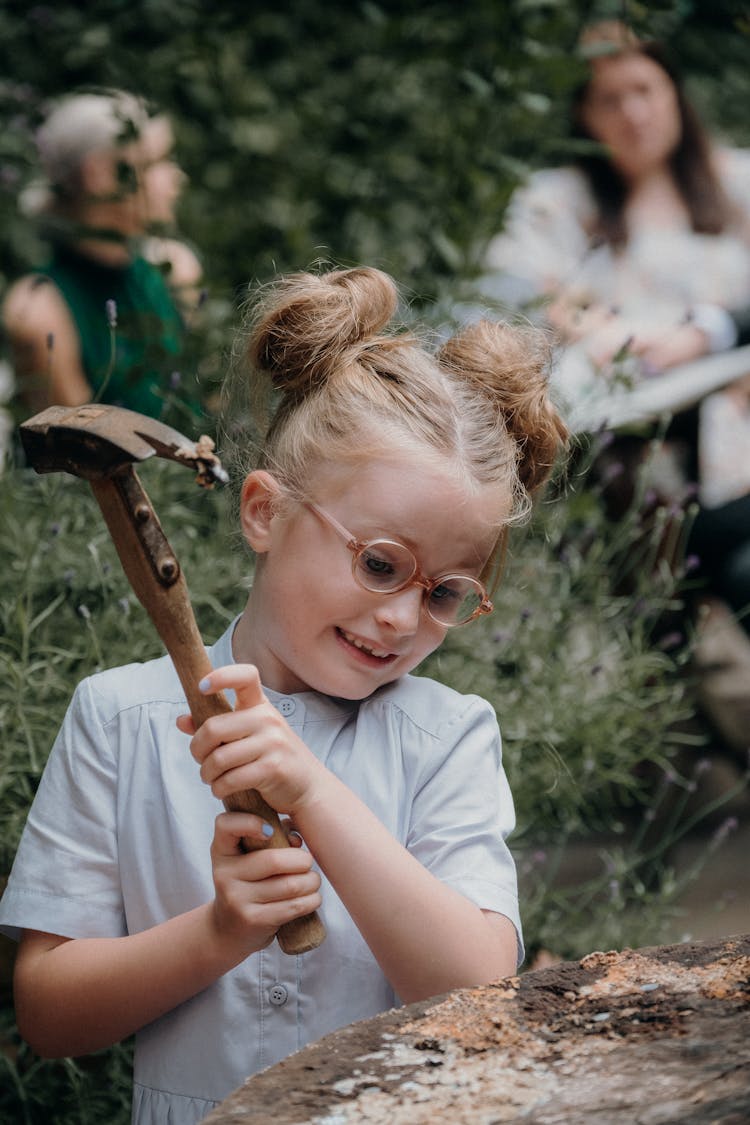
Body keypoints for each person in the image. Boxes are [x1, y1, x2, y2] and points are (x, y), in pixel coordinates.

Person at [0, 265, 567, 1124]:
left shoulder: (447, 735)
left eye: (446, 591)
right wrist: (219, 931)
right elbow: (47, 1012)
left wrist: (313, 792)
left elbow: (478, 988)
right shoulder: (122, 718)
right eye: (379, 562)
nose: (402, 616)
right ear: (264, 512)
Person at [482, 20, 750, 426]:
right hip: (615, 412)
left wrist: (703, 334)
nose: (634, 114)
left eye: (645, 90)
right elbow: (521, 295)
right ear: (584, 115)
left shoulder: (738, 183)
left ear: (673, 92)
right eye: (610, 100)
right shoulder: (554, 200)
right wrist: (613, 334)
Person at [2, 89, 203, 421]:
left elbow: (208, 405)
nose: (177, 177)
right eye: (158, 162)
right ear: (99, 174)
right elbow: (76, 458)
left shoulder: (175, 270)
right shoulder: (38, 312)